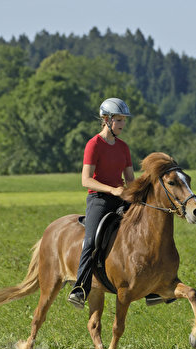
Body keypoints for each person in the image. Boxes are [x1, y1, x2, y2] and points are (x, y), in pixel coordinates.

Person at [68, 98, 135, 309]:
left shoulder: (124, 147)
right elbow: (85, 180)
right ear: (106, 120)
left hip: (121, 198)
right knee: (91, 241)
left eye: (124, 119)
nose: (123, 123)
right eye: (119, 119)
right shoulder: (94, 144)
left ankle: (152, 285)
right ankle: (80, 288)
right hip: (99, 198)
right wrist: (112, 189)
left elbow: (131, 180)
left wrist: (136, 195)